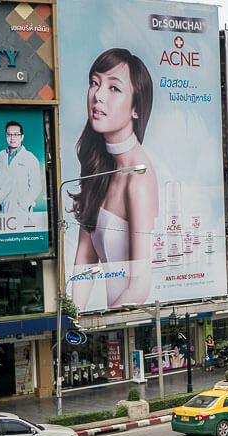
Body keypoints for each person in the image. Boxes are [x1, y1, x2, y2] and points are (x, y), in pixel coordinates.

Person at [70, 48, 158, 310]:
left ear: (136, 108)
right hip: (113, 325)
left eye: (114, 88)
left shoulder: (138, 178)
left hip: (138, 327)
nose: (98, 95)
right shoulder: (99, 168)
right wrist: (73, 319)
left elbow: (140, 284)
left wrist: (105, 327)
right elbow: (85, 257)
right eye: (94, 83)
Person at [0, 121, 43, 224]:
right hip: (2, 208)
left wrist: (22, 204)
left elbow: (36, 187)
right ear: (6, 136)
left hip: (21, 210)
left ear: (22, 137)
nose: (12, 138)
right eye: (9, 134)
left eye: (16, 135)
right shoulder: (1, 155)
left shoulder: (30, 158)